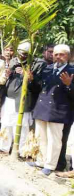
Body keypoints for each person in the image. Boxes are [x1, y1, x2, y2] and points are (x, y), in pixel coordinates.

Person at [28, 44, 74, 176]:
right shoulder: (47, 68)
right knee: (41, 137)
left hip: (58, 110)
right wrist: (31, 80)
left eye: (62, 54)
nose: (58, 57)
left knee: (54, 139)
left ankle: (50, 165)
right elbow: (38, 87)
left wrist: (69, 85)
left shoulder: (72, 70)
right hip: (42, 107)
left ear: (68, 56)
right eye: (56, 54)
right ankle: (41, 161)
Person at [0, 42, 46, 154]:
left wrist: (28, 77)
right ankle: (3, 147)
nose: (22, 55)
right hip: (9, 98)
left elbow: (39, 85)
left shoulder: (38, 64)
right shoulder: (13, 61)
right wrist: (8, 73)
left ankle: (20, 150)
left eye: (25, 53)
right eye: (20, 52)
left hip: (24, 99)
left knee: (22, 127)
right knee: (6, 123)